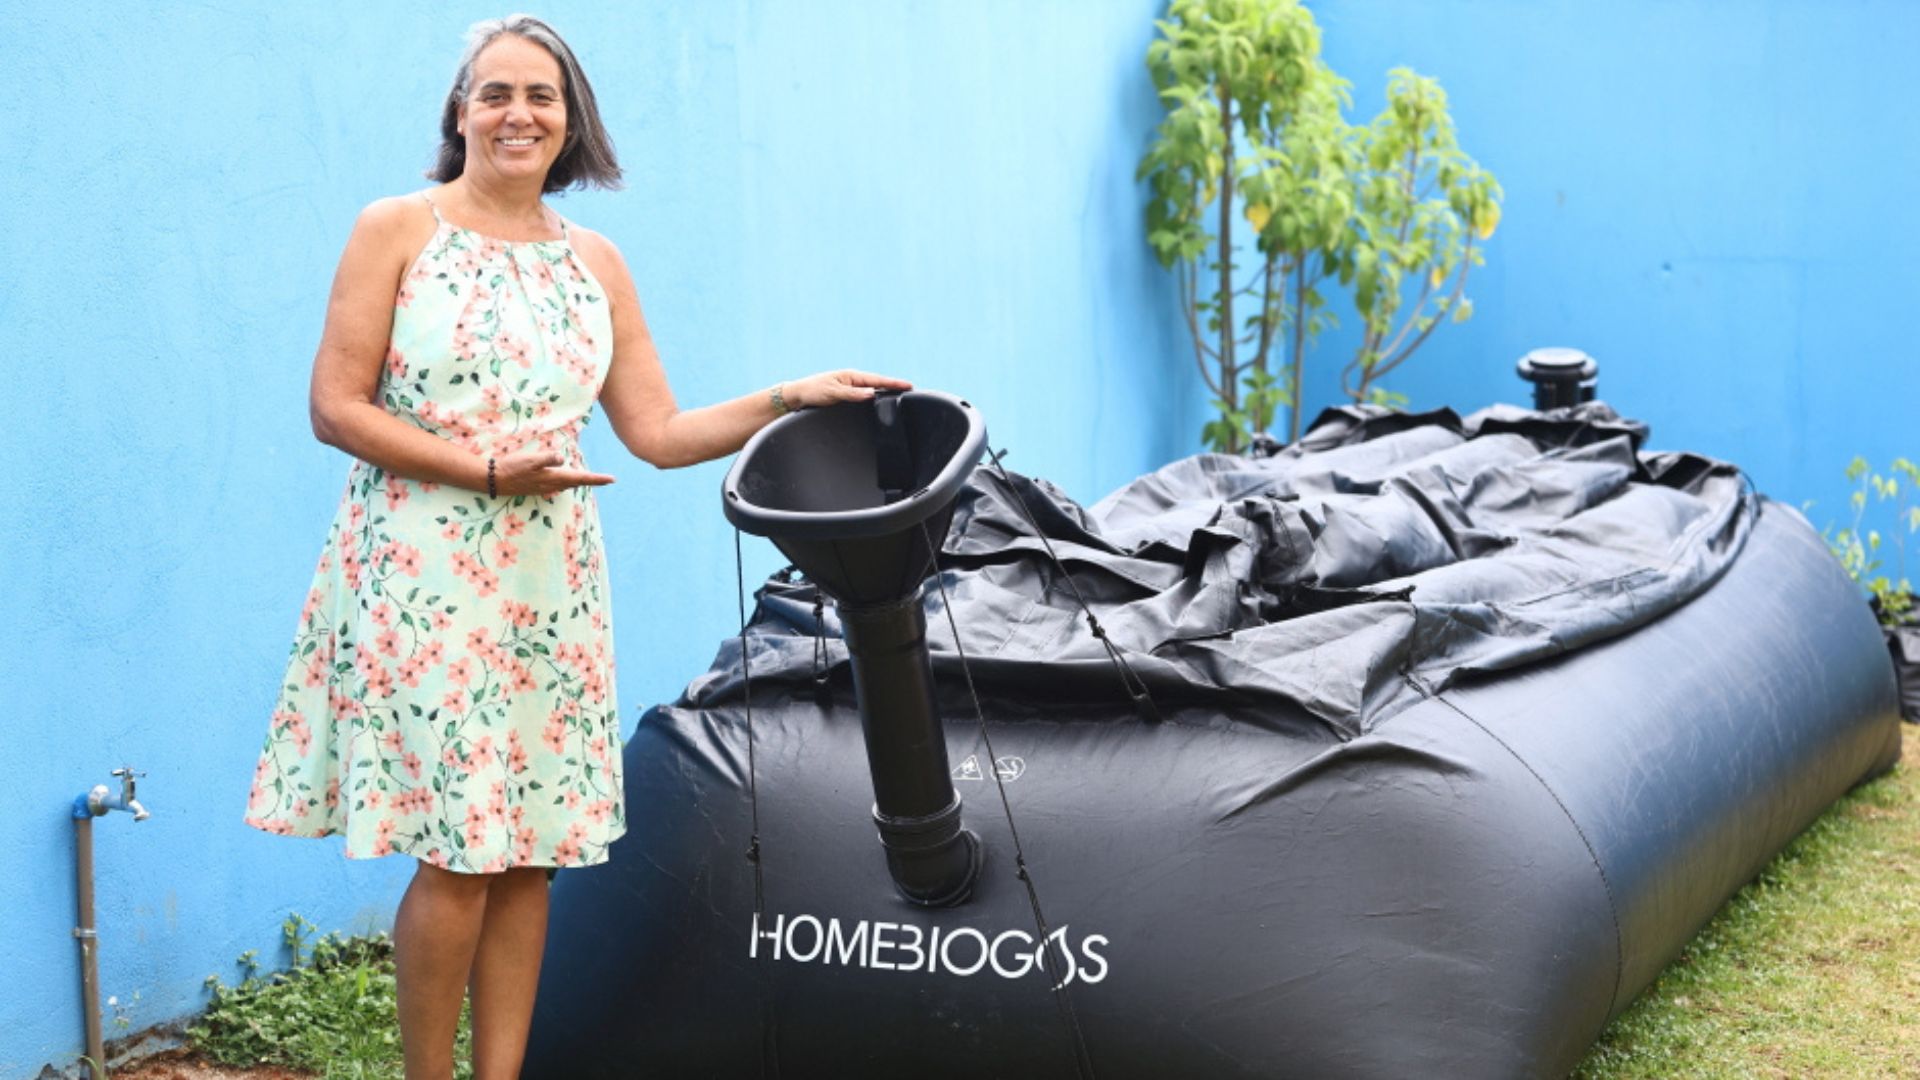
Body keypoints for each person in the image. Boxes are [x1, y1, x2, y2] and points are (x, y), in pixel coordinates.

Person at [242, 14, 908, 1080]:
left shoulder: (593, 260)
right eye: (494, 93)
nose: (517, 114)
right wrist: (491, 472)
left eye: (540, 96)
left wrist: (796, 395)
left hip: (550, 585)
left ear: (571, 120)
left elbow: (657, 432)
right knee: (461, 852)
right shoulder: (397, 227)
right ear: (459, 113)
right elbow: (335, 405)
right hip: (423, 572)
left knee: (533, 856)